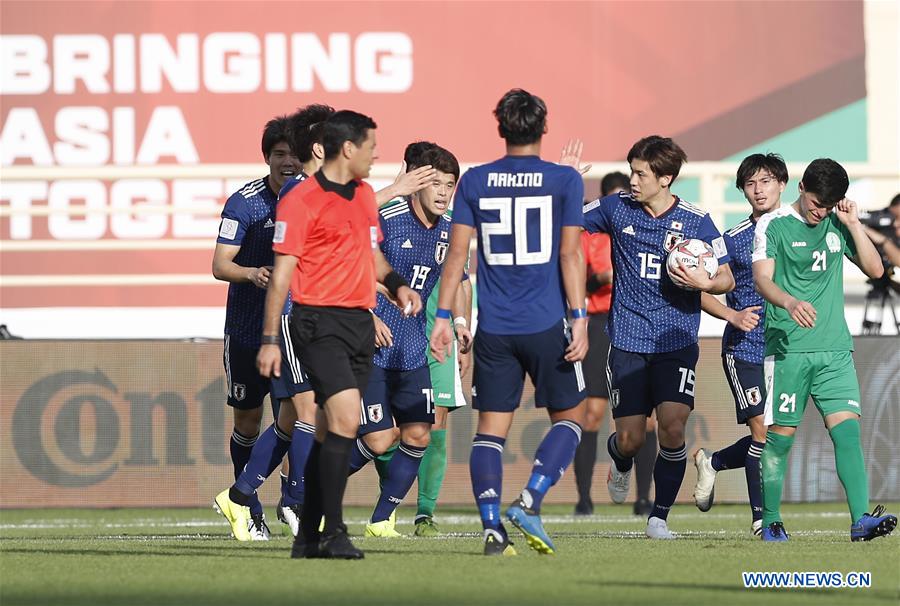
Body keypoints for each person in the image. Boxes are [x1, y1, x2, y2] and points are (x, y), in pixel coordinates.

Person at [430, 88, 588, 556]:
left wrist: (443, 316)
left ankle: (492, 528)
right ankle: (531, 499)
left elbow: (456, 255)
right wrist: (579, 318)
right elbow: (570, 253)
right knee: (571, 419)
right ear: (543, 127)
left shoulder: (475, 181)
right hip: (545, 323)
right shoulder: (564, 180)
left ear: (500, 127)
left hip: (494, 327)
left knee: (489, 431)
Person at [262, 109, 421, 560]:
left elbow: (373, 257)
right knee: (348, 421)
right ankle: (332, 530)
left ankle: (307, 535)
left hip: (357, 322)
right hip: (317, 321)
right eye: (371, 146)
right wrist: (270, 339)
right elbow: (280, 276)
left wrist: (396, 285)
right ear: (347, 148)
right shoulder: (301, 199)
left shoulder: (366, 195)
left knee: (335, 428)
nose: (376, 154)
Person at [583, 135, 735, 539]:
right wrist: (564, 182)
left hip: (676, 341)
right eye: (632, 171)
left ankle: (659, 517)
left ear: (665, 178)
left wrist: (707, 280)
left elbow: (726, 276)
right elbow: (570, 220)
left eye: (640, 173)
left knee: (671, 428)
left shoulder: (697, 221)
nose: (632, 180)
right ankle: (620, 457)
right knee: (631, 439)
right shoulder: (616, 208)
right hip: (629, 340)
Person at [751, 158, 897, 542]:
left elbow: (876, 271)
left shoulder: (836, 221)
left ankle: (861, 520)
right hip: (787, 349)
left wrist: (852, 223)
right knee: (780, 438)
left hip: (834, 349)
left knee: (847, 434)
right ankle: (770, 521)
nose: (820, 212)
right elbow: (762, 279)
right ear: (801, 188)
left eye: (828, 206)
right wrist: (788, 302)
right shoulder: (774, 225)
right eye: (817, 203)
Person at [212, 105, 333, 541]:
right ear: (267, 157)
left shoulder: (307, 190)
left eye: (291, 153)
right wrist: (254, 273)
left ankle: (285, 501)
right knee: (250, 422)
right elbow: (219, 264)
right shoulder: (245, 202)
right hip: (250, 329)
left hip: (290, 321)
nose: (287, 160)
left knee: (296, 415)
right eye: (278, 153)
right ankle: (252, 504)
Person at [345, 145, 467, 538]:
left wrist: (454, 321)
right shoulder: (386, 217)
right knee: (379, 439)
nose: (442, 192)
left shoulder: (450, 229)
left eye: (450, 184)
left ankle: (381, 521)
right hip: (374, 345)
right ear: (415, 182)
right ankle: (312, 485)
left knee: (418, 434)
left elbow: (454, 278)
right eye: (434, 183)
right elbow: (347, 264)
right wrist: (368, 313)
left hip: (414, 347)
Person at [692, 153, 788, 536]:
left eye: (765, 180)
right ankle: (761, 520)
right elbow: (697, 287)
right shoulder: (731, 240)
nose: (758, 189)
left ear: (782, 184)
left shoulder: (799, 230)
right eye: (750, 183)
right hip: (745, 348)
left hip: (786, 348)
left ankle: (713, 462)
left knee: (772, 437)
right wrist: (731, 315)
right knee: (762, 434)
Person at [570, 170, 657, 516]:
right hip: (598, 323)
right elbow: (578, 277)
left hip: (634, 323)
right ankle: (584, 498)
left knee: (646, 421)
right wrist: (602, 277)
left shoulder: (643, 229)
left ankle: (643, 497)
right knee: (591, 414)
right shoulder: (593, 235)